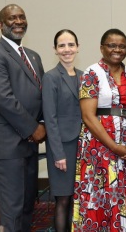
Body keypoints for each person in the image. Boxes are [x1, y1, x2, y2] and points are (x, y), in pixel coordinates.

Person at [71, 28, 126, 231]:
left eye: (122, 46)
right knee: (101, 195)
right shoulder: (91, 73)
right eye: (112, 45)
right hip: (100, 147)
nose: (117, 49)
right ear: (101, 48)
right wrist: (114, 146)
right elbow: (88, 116)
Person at [0, 4, 45, 231]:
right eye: (11, 18)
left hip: (29, 146)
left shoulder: (33, 56)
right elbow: (3, 100)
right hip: (8, 146)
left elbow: (42, 94)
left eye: (21, 17)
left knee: (28, 207)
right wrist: (33, 129)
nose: (18, 21)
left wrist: (44, 124)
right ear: (0, 25)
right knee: (12, 212)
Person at [42, 29, 82, 232]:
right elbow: (50, 119)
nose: (67, 49)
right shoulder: (50, 78)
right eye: (62, 45)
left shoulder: (84, 76)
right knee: (63, 200)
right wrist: (58, 154)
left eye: (71, 45)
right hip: (62, 149)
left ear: (78, 47)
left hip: (83, 148)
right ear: (55, 50)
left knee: (80, 200)